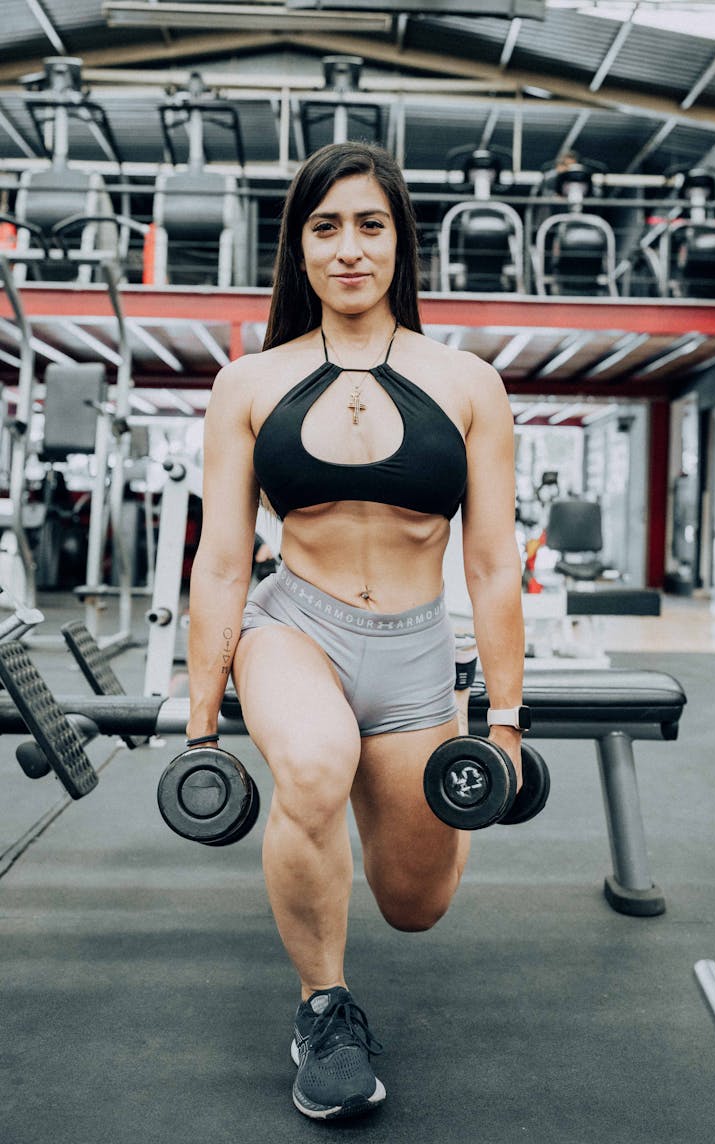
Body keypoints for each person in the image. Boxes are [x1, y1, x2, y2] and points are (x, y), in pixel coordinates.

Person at [186, 141, 525, 1121]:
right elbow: (219, 559)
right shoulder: (248, 385)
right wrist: (201, 724)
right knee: (317, 760)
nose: (347, 248)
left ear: (400, 242)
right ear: (296, 247)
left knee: (415, 904)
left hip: (421, 651)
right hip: (293, 624)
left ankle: (435, 767)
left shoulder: (468, 383)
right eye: (324, 226)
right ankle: (323, 1008)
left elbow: (493, 561)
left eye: (368, 225)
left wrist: (501, 719)